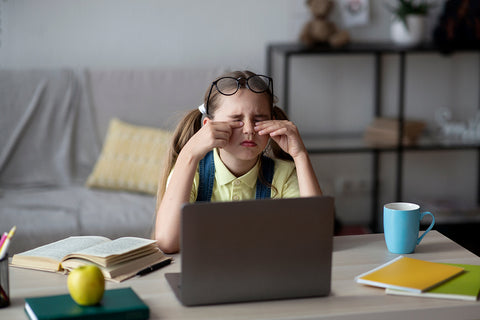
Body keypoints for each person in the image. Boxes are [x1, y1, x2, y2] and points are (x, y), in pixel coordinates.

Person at [155, 70, 322, 253]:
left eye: (259, 119)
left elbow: (317, 239)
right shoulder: (191, 172)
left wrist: (300, 155)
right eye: (237, 120)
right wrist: (189, 154)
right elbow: (167, 242)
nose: (249, 129)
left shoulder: (283, 174)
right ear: (208, 126)